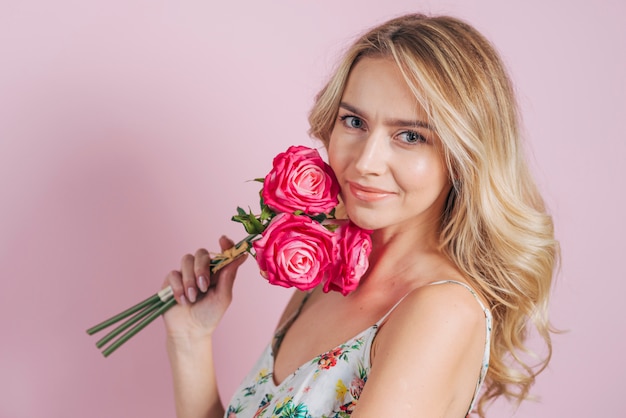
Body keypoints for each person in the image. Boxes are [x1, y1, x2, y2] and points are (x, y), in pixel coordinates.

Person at [161, 13, 559, 418]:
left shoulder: (441, 311)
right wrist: (190, 339)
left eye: (410, 136)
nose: (366, 162)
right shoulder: (326, 278)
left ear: (463, 156)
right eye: (354, 122)